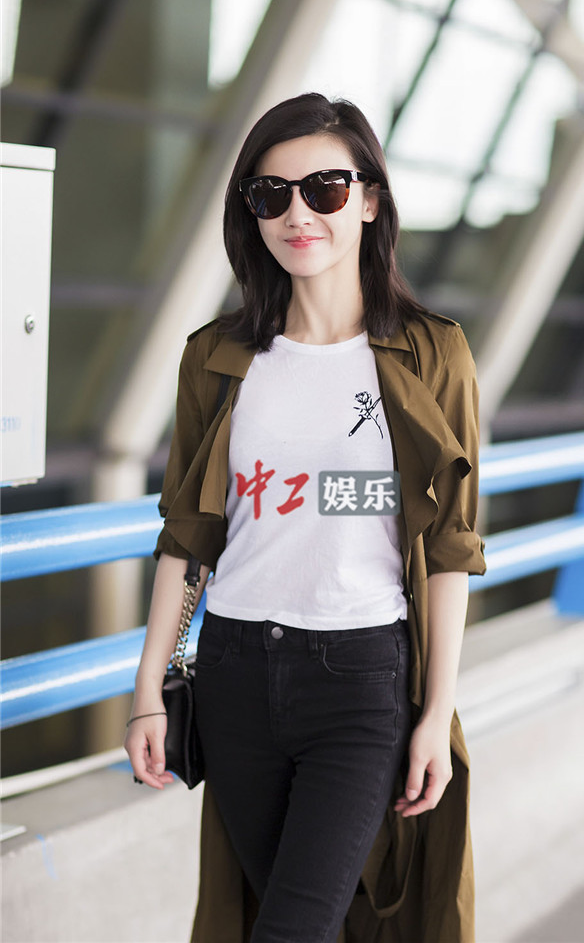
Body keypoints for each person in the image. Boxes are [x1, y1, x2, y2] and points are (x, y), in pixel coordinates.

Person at [124, 93, 486, 943]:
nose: (297, 214)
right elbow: (188, 537)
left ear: (369, 200)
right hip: (236, 675)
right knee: (317, 923)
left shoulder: (432, 352)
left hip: (361, 680)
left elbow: (448, 547)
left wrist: (435, 715)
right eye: (270, 194)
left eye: (324, 189)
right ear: (250, 214)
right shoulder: (216, 357)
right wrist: (147, 691)